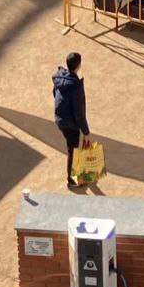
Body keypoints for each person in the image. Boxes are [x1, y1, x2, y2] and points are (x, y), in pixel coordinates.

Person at [52, 52, 90, 190]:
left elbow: (55, 94)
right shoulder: (76, 86)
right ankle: (72, 181)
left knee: (71, 148)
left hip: (60, 118)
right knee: (73, 151)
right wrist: (85, 131)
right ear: (79, 65)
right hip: (70, 124)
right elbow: (79, 113)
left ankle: (74, 176)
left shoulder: (58, 77)